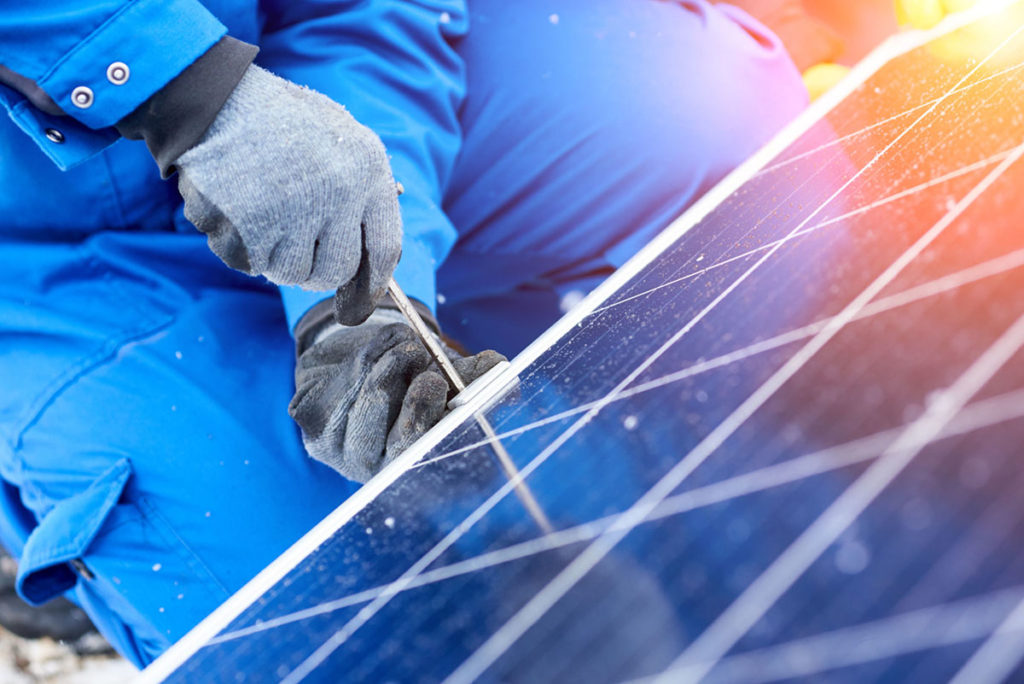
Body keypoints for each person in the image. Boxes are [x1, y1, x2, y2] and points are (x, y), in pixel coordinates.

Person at [0, 0, 970, 670]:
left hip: (282, 75)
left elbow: (365, 16)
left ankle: (754, 511)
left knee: (719, 135)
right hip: (32, 258)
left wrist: (370, 294)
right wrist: (184, 85)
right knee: (311, 631)